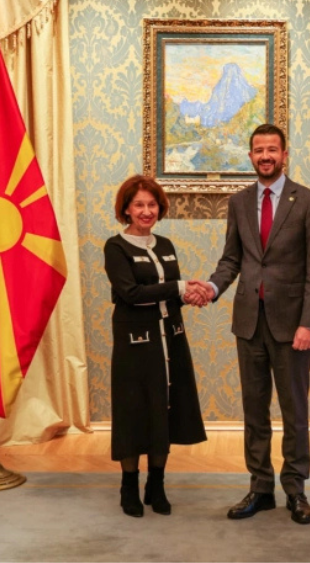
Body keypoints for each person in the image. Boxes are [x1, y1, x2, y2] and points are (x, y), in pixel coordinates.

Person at [196, 123, 310, 525]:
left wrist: (309, 324)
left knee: (294, 411)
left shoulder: (309, 202)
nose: (265, 156)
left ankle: (295, 489)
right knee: (254, 412)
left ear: (284, 155)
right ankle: (260, 488)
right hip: (249, 324)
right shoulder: (239, 203)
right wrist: (212, 287)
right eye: (259, 150)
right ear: (251, 156)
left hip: (293, 327)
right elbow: (231, 260)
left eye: (272, 149)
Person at [103, 175, 208, 518]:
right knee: (134, 411)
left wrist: (191, 296)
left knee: (166, 407)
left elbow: (169, 292)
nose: (146, 211)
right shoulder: (116, 247)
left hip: (171, 338)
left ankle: (156, 485)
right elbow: (130, 293)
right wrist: (179, 287)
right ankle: (129, 486)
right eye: (139, 205)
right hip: (136, 343)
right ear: (126, 209)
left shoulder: (165, 244)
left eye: (152, 205)